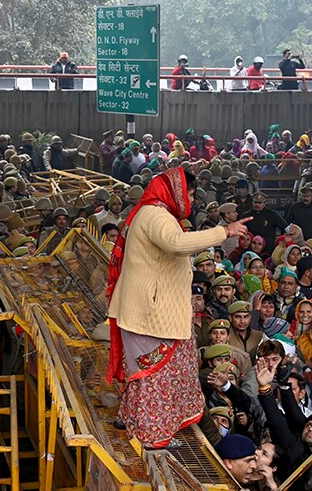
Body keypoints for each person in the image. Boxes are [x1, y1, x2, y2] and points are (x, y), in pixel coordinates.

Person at [106, 166, 251, 448]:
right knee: (155, 373)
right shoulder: (156, 215)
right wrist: (224, 231)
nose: (192, 200)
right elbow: (176, 243)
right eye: (190, 194)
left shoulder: (155, 213)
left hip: (150, 310)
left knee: (146, 371)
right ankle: (151, 436)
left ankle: (133, 419)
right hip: (151, 314)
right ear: (174, 192)